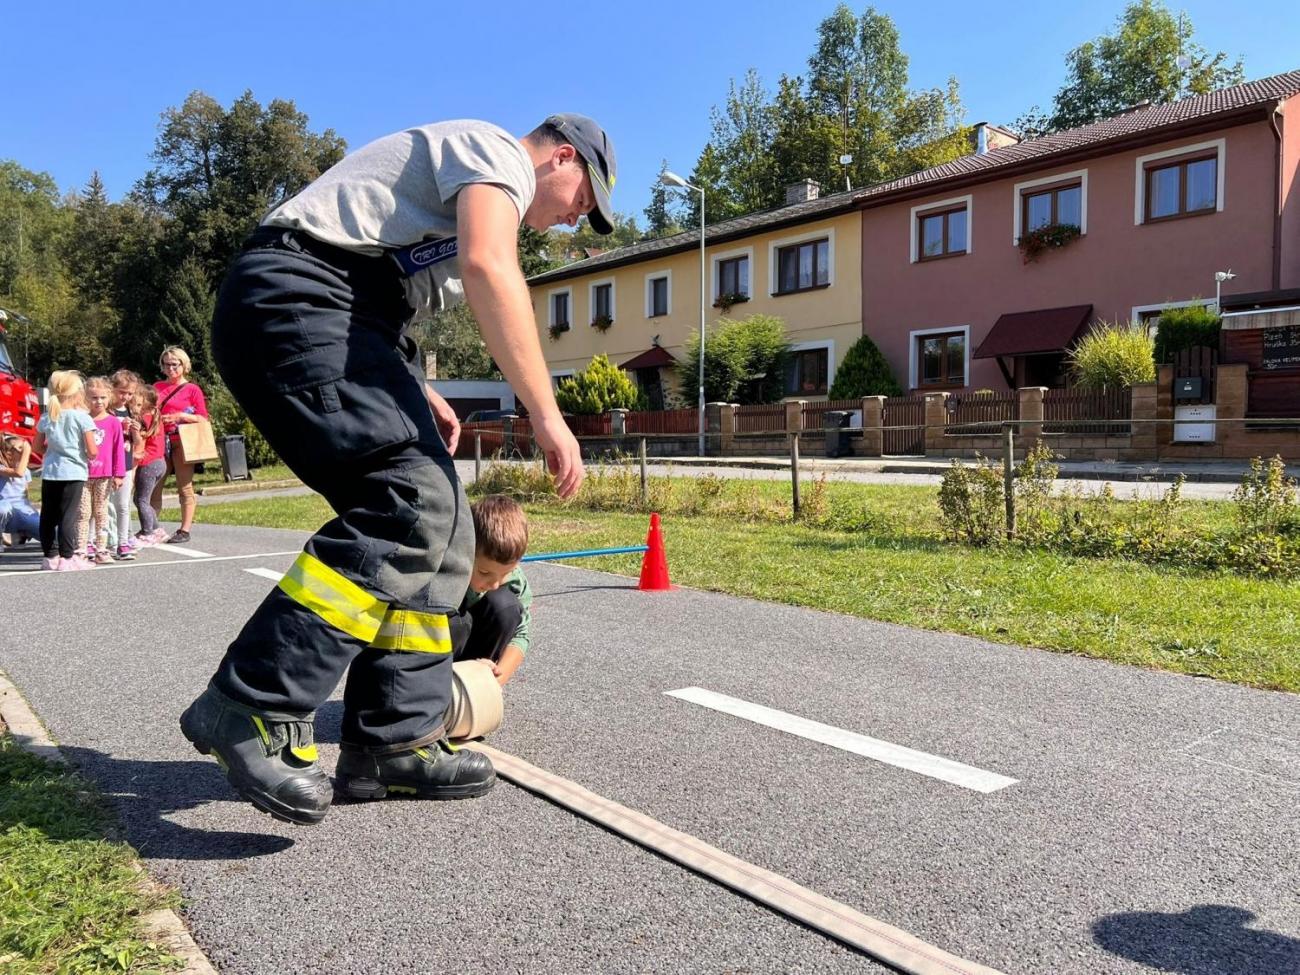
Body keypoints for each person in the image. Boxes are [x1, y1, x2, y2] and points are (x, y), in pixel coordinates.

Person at [181, 113, 614, 825]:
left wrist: (418, 388)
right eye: (583, 201)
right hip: (293, 294)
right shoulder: (496, 152)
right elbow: (488, 267)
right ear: (563, 156)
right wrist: (546, 412)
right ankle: (249, 704)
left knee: (443, 521)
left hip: (338, 314)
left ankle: (394, 740)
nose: (574, 220)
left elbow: (383, 304)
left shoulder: (441, 225)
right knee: (407, 499)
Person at [447, 495, 533, 687]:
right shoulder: (445, 570)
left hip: (474, 657)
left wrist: (496, 680)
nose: (494, 584)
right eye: (484, 572)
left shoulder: (515, 580)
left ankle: (473, 685)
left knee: (506, 606)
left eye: (505, 573)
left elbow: (521, 634)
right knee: (457, 622)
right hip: (436, 653)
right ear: (466, 551)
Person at [33, 371, 98, 571]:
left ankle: (50, 556)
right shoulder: (82, 418)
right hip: (74, 473)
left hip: (51, 472)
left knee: (48, 515)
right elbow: (92, 450)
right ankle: (68, 557)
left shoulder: (48, 417)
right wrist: (88, 455)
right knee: (68, 516)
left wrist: (51, 452)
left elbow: (37, 447)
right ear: (78, 393)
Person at [150, 347, 207, 544]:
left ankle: (184, 529)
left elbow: (203, 419)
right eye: (167, 364)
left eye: (175, 364)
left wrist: (181, 416)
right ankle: (152, 528)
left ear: (184, 365)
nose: (171, 368)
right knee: (155, 486)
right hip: (159, 442)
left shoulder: (192, 389)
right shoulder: (156, 387)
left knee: (185, 487)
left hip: (183, 442)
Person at [80, 377, 126, 566]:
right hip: (83, 475)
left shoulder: (113, 422)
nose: (98, 402)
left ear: (109, 398)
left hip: (105, 476)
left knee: (101, 512)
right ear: (85, 398)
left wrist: (119, 474)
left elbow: (118, 450)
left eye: (102, 397)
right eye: (93, 398)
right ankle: (81, 549)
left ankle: (101, 549)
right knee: (83, 513)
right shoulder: (81, 419)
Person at [106, 369, 143, 560]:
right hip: (106, 463)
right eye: (122, 392)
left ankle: (123, 542)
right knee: (106, 505)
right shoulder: (106, 410)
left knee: (123, 505)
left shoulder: (129, 410)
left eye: (129, 393)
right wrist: (119, 428)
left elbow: (136, 442)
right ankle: (107, 542)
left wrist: (135, 431)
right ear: (112, 389)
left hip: (125, 463)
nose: (125, 397)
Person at [132, 385, 169, 545]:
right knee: (142, 499)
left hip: (148, 463)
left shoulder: (143, 419)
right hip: (160, 462)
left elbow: (140, 441)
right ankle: (155, 528)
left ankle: (149, 532)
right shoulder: (156, 416)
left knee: (141, 500)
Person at [0, 435, 39, 547]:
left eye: (23, 448)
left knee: (53, 534)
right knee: (3, 508)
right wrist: (27, 450)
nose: (22, 451)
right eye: (20, 448)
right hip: (6, 511)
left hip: (21, 511)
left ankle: (22, 532)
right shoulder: (1, 467)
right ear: (8, 453)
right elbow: (18, 473)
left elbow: (25, 494)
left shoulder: (26, 470)